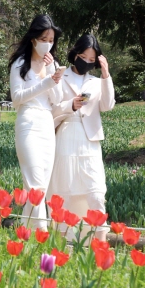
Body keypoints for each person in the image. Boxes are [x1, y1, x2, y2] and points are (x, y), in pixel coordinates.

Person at [48, 34, 115, 241]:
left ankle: (98, 239)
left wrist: (106, 75)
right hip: (66, 134)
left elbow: (107, 105)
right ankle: (62, 239)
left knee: (94, 188)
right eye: (83, 57)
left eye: (91, 60)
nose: (86, 62)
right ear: (75, 54)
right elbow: (50, 109)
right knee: (65, 186)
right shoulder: (60, 75)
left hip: (89, 140)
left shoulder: (96, 82)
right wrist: (71, 105)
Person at [9, 15, 65, 229]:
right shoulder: (20, 65)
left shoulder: (54, 65)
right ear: (33, 39)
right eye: (44, 39)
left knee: (41, 186)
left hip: (46, 126)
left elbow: (57, 99)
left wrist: (52, 73)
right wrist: (45, 83)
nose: (48, 44)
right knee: (34, 185)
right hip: (28, 123)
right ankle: (40, 233)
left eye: (51, 40)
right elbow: (17, 98)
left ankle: (27, 235)